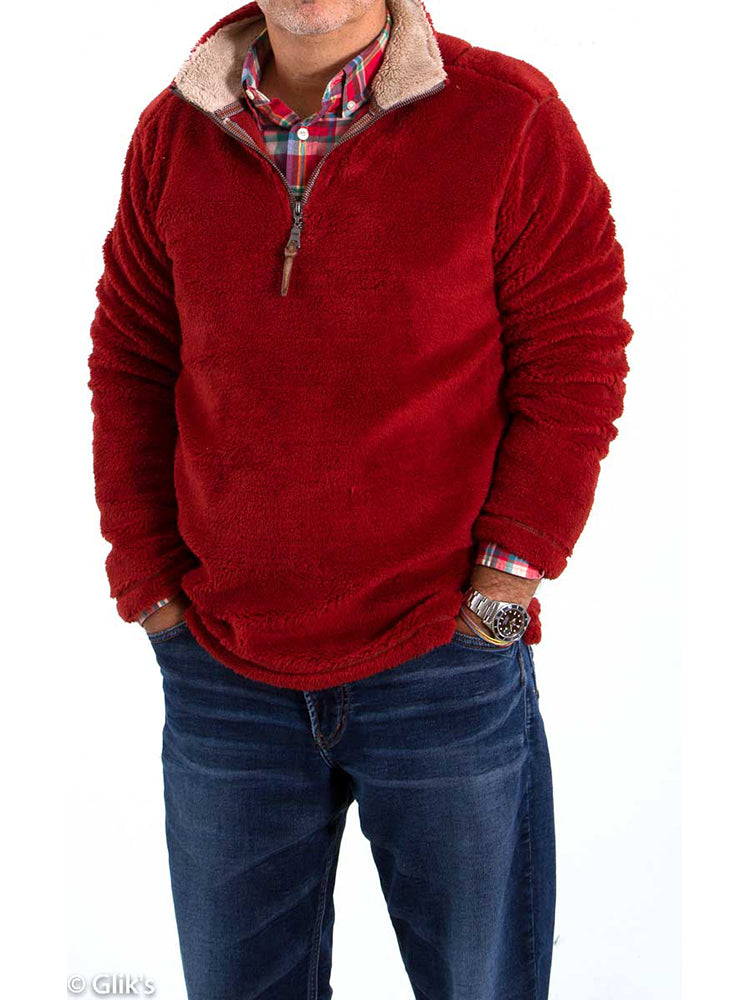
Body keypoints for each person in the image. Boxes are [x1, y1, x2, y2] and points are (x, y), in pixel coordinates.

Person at [87, 1, 632, 997]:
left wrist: (500, 592)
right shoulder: (174, 132)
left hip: (441, 660)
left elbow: (576, 359)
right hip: (224, 671)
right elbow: (132, 362)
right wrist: (151, 586)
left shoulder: (508, 118)